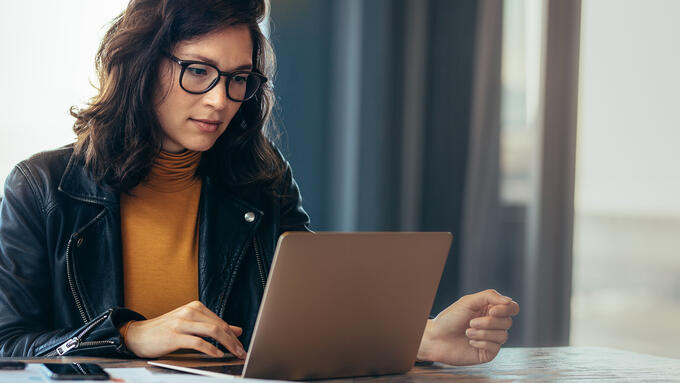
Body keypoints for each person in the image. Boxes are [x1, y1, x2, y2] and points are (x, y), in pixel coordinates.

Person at [0, 0, 519, 366]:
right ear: (142, 66)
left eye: (238, 77)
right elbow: (9, 343)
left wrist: (423, 338)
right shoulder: (42, 187)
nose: (220, 100)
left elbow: (310, 319)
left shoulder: (260, 181)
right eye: (198, 71)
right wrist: (129, 336)